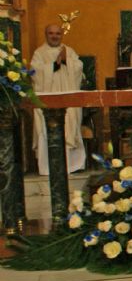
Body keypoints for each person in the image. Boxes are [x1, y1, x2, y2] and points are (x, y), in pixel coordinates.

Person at [31, 24, 85, 175]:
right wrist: (55, 65)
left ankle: (72, 165)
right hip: (47, 101)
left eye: (57, 34)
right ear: (45, 35)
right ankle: (48, 168)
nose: (54, 36)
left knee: (70, 124)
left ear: (62, 35)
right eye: (51, 33)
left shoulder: (69, 51)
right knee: (47, 129)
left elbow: (79, 68)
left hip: (68, 97)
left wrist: (67, 60)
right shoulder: (39, 53)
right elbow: (35, 73)